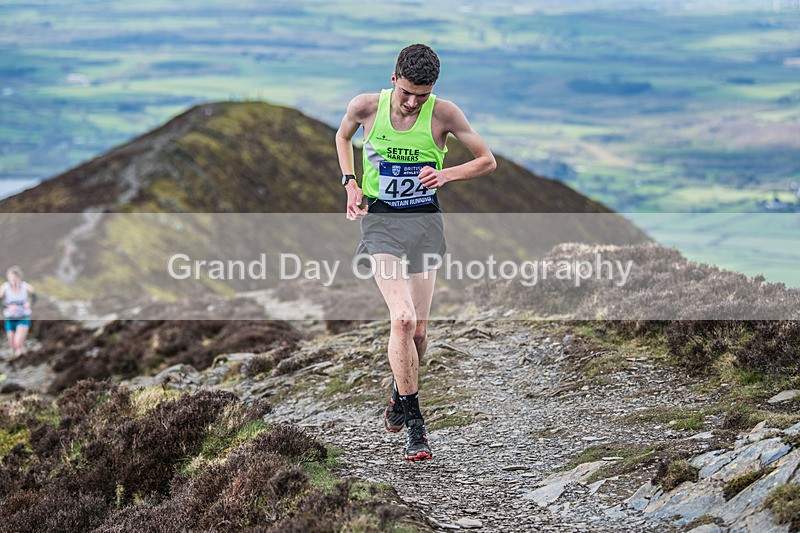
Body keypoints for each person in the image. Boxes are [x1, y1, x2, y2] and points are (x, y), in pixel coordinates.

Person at [335, 44, 496, 461]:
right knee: (403, 319)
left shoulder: (444, 114)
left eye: (421, 96)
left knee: (420, 333)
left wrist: (446, 174)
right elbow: (343, 136)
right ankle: (416, 426)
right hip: (381, 224)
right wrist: (350, 182)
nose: (411, 103)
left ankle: (398, 392)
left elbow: (487, 161)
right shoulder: (366, 107)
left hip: (425, 224)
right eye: (406, 92)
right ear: (393, 79)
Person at [1, 266, 36, 357]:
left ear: (19, 278)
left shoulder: (25, 286)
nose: (13, 281)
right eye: (11, 279)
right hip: (10, 318)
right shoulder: (5, 287)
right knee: (13, 346)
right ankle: (21, 358)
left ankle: (24, 360)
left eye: (15, 279)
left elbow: (34, 296)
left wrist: (29, 303)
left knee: (18, 343)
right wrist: (7, 306)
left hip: (23, 317)